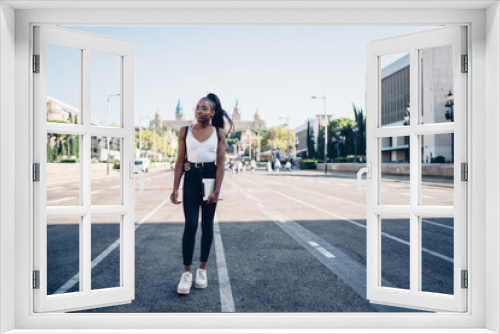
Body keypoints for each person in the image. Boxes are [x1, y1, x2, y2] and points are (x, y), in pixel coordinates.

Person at [170, 93, 233, 295]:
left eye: (204, 108)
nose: (199, 111)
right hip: (190, 177)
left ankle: (202, 270)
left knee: (207, 225)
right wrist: (175, 188)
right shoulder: (184, 131)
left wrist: (217, 189)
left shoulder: (219, 132)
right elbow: (180, 161)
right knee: (190, 224)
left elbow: (221, 163)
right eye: (197, 107)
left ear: (212, 112)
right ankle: (186, 273)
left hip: (210, 178)